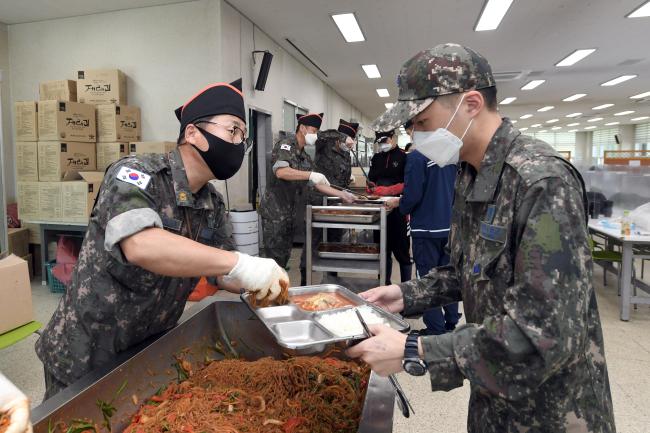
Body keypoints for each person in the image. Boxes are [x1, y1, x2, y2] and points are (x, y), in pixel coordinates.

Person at [347, 43, 615, 432]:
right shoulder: (469, 174)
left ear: (471, 104)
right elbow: (470, 268)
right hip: (494, 399)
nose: (416, 135)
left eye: (421, 122)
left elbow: (545, 334)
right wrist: (408, 295)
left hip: (553, 411)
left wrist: (415, 349)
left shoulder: (541, 182)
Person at [36, 79, 290, 400]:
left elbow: (222, 272)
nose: (239, 144)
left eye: (243, 137)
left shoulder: (212, 203)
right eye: (233, 131)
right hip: (87, 352)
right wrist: (242, 263)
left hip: (147, 349)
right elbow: (141, 244)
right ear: (193, 133)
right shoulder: (136, 175)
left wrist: (271, 288)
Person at [385, 130, 460, 335]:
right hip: (450, 226)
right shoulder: (453, 155)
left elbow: (413, 195)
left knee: (427, 278)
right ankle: (452, 320)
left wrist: (400, 204)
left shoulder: (418, 157)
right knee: (449, 276)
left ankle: (435, 329)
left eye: (411, 131)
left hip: (426, 228)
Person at [259, 113, 355, 269]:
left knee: (283, 258)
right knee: (272, 261)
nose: (315, 135)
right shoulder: (286, 145)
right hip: (274, 213)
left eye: (317, 131)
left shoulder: (304, 157)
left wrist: (342, 194)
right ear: (302, 128)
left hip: (289, 214)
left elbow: (317, 184)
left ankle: (279, 289)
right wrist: (310, 174)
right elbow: (281, 172)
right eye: (314, 130)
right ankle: (266, 291)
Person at [299, 119, 358, 285]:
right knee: (313, 241)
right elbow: (321, 133)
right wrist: (341, 134)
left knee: (335, 241)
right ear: (340, 138)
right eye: (349, 141)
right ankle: (305, 280)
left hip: (336, 202)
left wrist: (348, 181)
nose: (350, 145)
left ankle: (332, 279)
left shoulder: (346, 154)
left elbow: (343, 176)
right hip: (318, 200)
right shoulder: (324, 144)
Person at [368, 130, 412, 283]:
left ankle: (406, 288)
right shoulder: (376, 157)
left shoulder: (404, 157)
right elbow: (371, 179)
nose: (382, 145)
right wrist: (371, 187)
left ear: (393, 138)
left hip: (399, 210)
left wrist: (390, 190)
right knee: (382, 251)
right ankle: (384, 285)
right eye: (380, 142)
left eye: (385, 141)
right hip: (380, 209)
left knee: (402, 253)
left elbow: (410, 184)